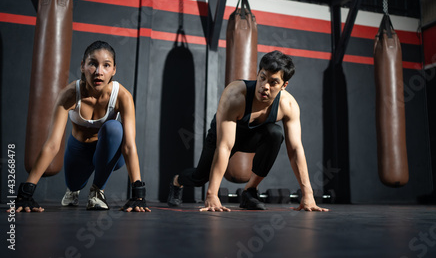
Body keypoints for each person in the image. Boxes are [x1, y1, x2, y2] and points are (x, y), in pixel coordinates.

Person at [168, 50, 328, 212]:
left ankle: (249, 190)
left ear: (284, 85)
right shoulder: (235, 95)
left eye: (273, 82)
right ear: (258, 73)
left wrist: (308, 194)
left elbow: (295, 150)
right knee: (199, 177)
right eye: (262, 77)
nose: (265, 86)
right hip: (222, 137)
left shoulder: (288, 106)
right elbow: (224, 146)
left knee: (275, 133)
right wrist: (212, 195)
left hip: (253, 137)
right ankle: (177, 181)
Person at [14, 41, 150, 213]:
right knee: (74, 184)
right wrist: (27, 191)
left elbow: (129, 145)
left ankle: (97, 191)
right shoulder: (70, 95)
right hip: (79, 151)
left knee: (114, 129)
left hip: (109, 153)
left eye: (106, 65)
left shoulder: (122, 96)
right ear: (83, 66)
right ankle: (73, 190)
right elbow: (53, 144)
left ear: (114, 70)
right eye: (93, 64)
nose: (99, 72)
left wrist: (138, 193)